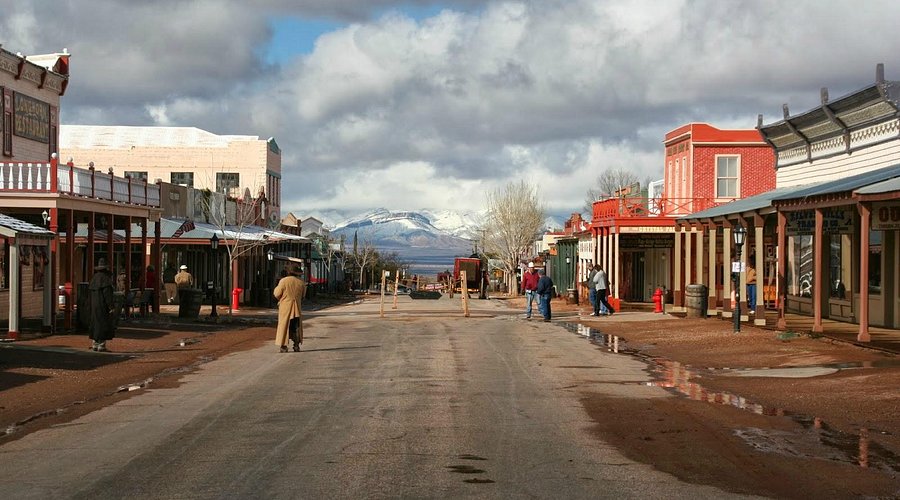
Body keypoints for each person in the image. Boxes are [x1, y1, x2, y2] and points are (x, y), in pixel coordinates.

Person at [274, 264, 307, 353]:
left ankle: (283, 346)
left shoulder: (283, 281)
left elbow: (277, 293)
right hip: (297, 307)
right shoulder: (301, 282)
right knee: (296, 326)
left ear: (288, 272)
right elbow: (304, 295)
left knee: (284, 326)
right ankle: (296, 345)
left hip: (285, 307)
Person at [89, 258, 116, 352]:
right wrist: (111, 306)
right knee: (103, 324)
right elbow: (107, 295)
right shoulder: (106, 280)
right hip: (103, 306)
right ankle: (101, 345)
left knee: (95, 324)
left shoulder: (94, 278)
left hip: (94, 305)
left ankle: (94, 344)